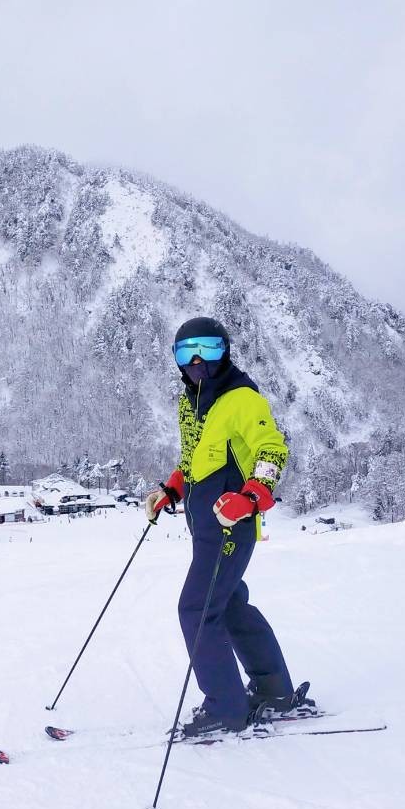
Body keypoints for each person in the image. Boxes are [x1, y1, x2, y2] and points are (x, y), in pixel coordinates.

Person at [145, 316, 314, 739]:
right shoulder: (191, 401)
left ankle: (225, 708)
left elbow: (272, 450)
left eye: (208, 349)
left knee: (197, 608)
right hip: (204, 524)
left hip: (230, 524)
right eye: (186, 352)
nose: (197, 361)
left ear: (225, 351)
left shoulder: (242, 398)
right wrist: (173, 488)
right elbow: (195, 459)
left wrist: (252, 496)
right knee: (228, 604)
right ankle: (274, 689)